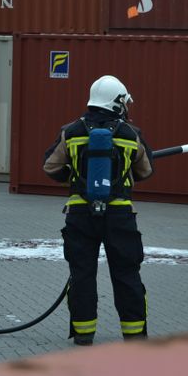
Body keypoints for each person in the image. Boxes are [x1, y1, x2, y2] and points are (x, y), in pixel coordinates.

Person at [43, 75, 154, 346]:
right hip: (120, 216)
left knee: (82, 274)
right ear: (118, 102)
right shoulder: (131, 134)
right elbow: (146, 171)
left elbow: (51, 167)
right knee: (126, 274)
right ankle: (134, 334)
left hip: (80, 215)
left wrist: (73, 175)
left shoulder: (70, 131)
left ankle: (83, 334)